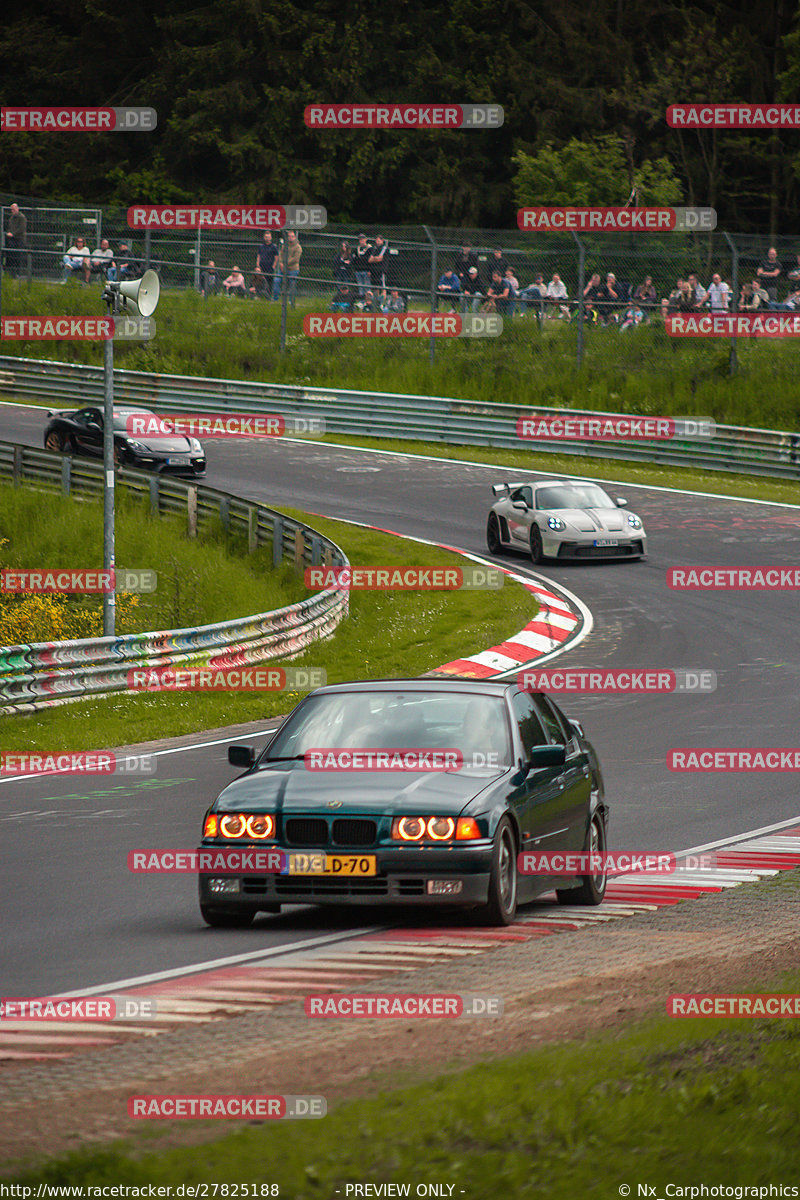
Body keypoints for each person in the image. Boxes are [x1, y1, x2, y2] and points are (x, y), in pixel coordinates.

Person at [273, 231, 302, 306]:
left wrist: (285, 263)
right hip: (283, 269)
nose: (290, 238)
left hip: (293, 269)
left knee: (292, 284)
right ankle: (275, 299)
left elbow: (295, 259)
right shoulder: (284, 245)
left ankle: (290, 301)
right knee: (276, 280)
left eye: (292, 236)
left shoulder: (298, 247)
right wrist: (281, 264)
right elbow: (280, 255)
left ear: (295, 237)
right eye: (289, 236)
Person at [4, 202, 27, 276]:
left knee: (18, 256)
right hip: (12, 240)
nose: (12, 211)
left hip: (19, 239)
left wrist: (13, 234)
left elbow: (21, 229)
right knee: (11, 256)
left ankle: (18, 273)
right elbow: (9, 227)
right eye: (11, 210)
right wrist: (8, 233)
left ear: (17, 209)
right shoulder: (11, 218)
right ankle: (12, 272)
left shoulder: (22, 217)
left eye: (13, 209)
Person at [255, 232, 279, 297]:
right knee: (261, 281)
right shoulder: (261, 246)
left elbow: (276, 257)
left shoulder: (274, 247)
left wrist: (274, 266)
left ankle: (269, 295)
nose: (267, 238)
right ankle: (260, 294)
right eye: (266, 237)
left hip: (270, 267)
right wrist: (257, 264)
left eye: (268, 237)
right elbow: (258, 256)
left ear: (271, 238)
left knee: (269, 281)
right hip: (262, 267)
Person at [353, 232, 372, 299]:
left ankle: (368, 301)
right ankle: (362, 301)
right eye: (360, 239)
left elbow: (371, 261)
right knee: (361, 288)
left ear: (366, 239)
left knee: (367, 288)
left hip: (366, 271)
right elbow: (354, 259)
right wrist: (355, 269)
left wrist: (370, 270)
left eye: (362, 239)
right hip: (358, 271)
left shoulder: (370, 248)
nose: (361, 241)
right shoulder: (357, 249)